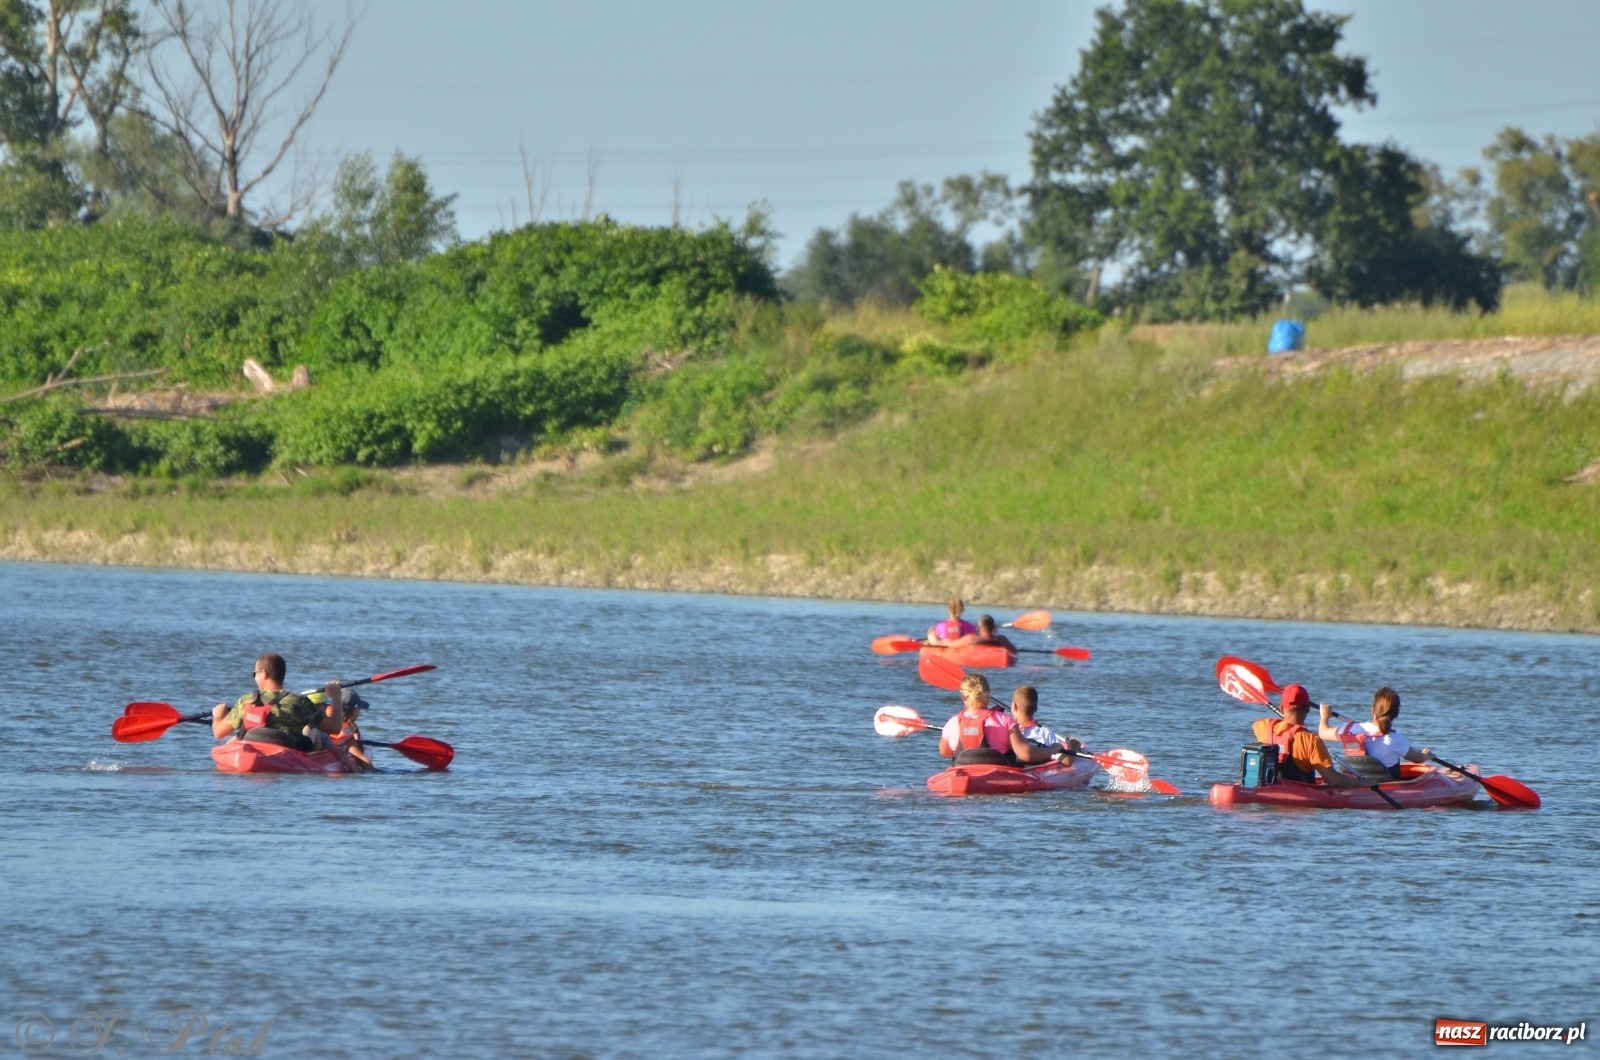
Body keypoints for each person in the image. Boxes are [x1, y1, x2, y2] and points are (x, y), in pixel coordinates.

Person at [212, 653, 343, 753]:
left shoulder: (246, 700)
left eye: (254, 674)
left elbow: (218, 732)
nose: (254, 677)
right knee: (313, 730)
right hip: (289, 750)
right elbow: (335, 728)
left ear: (263, 674)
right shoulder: (299, 701)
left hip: (253, 747)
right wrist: (336, 697)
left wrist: (218, 716)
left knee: (235, 737)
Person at [1251, 683, 1359, 788]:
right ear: (1308, 709)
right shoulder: (1311, 740)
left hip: (1270, 788)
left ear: (1281, 708)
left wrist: (1284, 723)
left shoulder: (1263, 727)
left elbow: (1256, 725)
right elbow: (1333, 780)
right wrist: (1363, 783)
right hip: (1298, 800)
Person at [1317, 686, 1434, 782]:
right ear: (1396, 715)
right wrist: (1426, 755)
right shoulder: (1396, 740)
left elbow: (1322, 733)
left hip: (1353, 784)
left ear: (1372, 710)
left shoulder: (1349, 729)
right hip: (1385, 789)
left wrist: (1324, 717)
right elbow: (1418, 759)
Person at [937, 673, 1046, 767]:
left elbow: (945, 752)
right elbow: (1026, 755)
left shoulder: (952, 723)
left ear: (964, 697)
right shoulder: (1005, 720)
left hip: (964, 776)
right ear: (988, 695)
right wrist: (1053, 749)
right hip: (999, 777)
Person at [1007, 685, 1083, 765]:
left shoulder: (1008, 732)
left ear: (1014, 706)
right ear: (1036, 709)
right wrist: (1074, 746)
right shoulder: (1046, 734)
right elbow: (1067, 760)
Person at [311, 689, 375, 772]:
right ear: (355, 711)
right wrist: (375, 772)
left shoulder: (324, 718)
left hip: (314, 747)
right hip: (329, 757)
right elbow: (359, 757)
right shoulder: (347, 731)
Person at [934, 614, 1019, 653]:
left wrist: (936, 641)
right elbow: (1015, 651)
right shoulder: (1001, 639)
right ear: (993, 627)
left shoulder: (972, 639)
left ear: (978, 628)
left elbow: (950, 645)